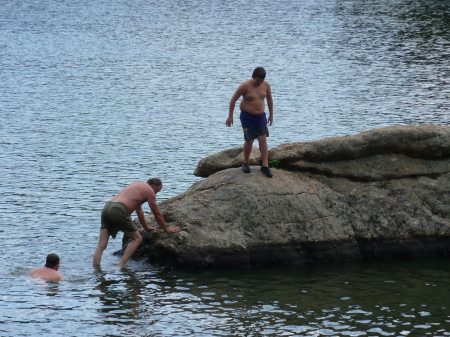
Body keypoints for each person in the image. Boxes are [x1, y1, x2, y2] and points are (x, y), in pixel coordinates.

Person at [93, 178, 181, 267]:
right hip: (118, 209)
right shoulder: (149, 190)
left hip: (107, 207)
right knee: (137, 239)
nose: (155, 194)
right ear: (153, 185)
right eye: (156, 191)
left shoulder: (136, 185)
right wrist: (166, 230)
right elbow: (157, 213)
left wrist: (146, 228)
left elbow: (139, 211)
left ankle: (96, 268)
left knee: (101, 244)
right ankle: (121, 265)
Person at [226, 66, 274, 178]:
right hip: (247, 116)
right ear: (253, 77)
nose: (259, 83)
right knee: (250, 139)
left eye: (261, 81)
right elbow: (233, 99)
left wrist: (271, 114)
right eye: (257, 80)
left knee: (263, 138)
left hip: (261, 116)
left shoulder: (266, 85)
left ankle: (265, 166)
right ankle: (246, 163)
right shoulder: (245, 85)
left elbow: (270, 99)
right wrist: (230, 116)